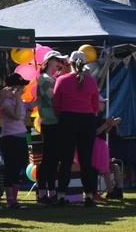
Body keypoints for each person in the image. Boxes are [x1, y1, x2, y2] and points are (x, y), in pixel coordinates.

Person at [52, 51, 102, 207]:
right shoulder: (91, 81)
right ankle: (88, 195)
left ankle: (60, 195)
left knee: (66, 160)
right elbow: (95, 106)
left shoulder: (62, 80)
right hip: (87, 121)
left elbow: (56, 104)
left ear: (70, 63)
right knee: (86, 161)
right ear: (85, 64)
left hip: (67, 120)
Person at [0, 74, 33, 209]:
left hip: (20, 137)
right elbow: (16, 115)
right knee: (10, 168)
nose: (23, 89)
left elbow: (23, 118)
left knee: (19, 167)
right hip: (9, 138)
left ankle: (15, 199)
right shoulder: (6, 102)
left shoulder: (20, 101)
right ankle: (10, 200)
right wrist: (18, 98)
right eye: (20, 86)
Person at [35, 52, 66, 205]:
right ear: (49, 61)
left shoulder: (50, 78)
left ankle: (50, 192)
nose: (58, 63)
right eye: (56, 60)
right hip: (49, 122)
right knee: (48, 159)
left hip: (53, 122)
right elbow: (53, 97)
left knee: (53, 159)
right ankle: (42, 193)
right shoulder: (45, 79)